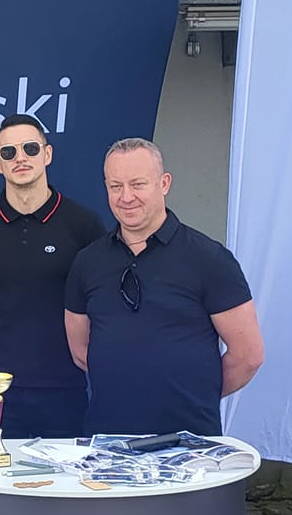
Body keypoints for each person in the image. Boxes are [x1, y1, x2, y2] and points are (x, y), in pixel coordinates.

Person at [63, 138, 265, 436]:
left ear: (164, 183)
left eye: (138, 184)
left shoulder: (210, 259)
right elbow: (81, 351)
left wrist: (197, 393)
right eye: (116, 186)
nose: (126, 197)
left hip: (190, 442)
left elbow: (248, 355)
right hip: (108, 440)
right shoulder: (87, 262)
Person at [0, 114, 106, 439]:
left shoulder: (84, 225)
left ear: (47, 154)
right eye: (9, 152)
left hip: (64, 388)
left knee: (64, 474)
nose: (20, 158)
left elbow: (99, 306)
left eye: (30, 148)